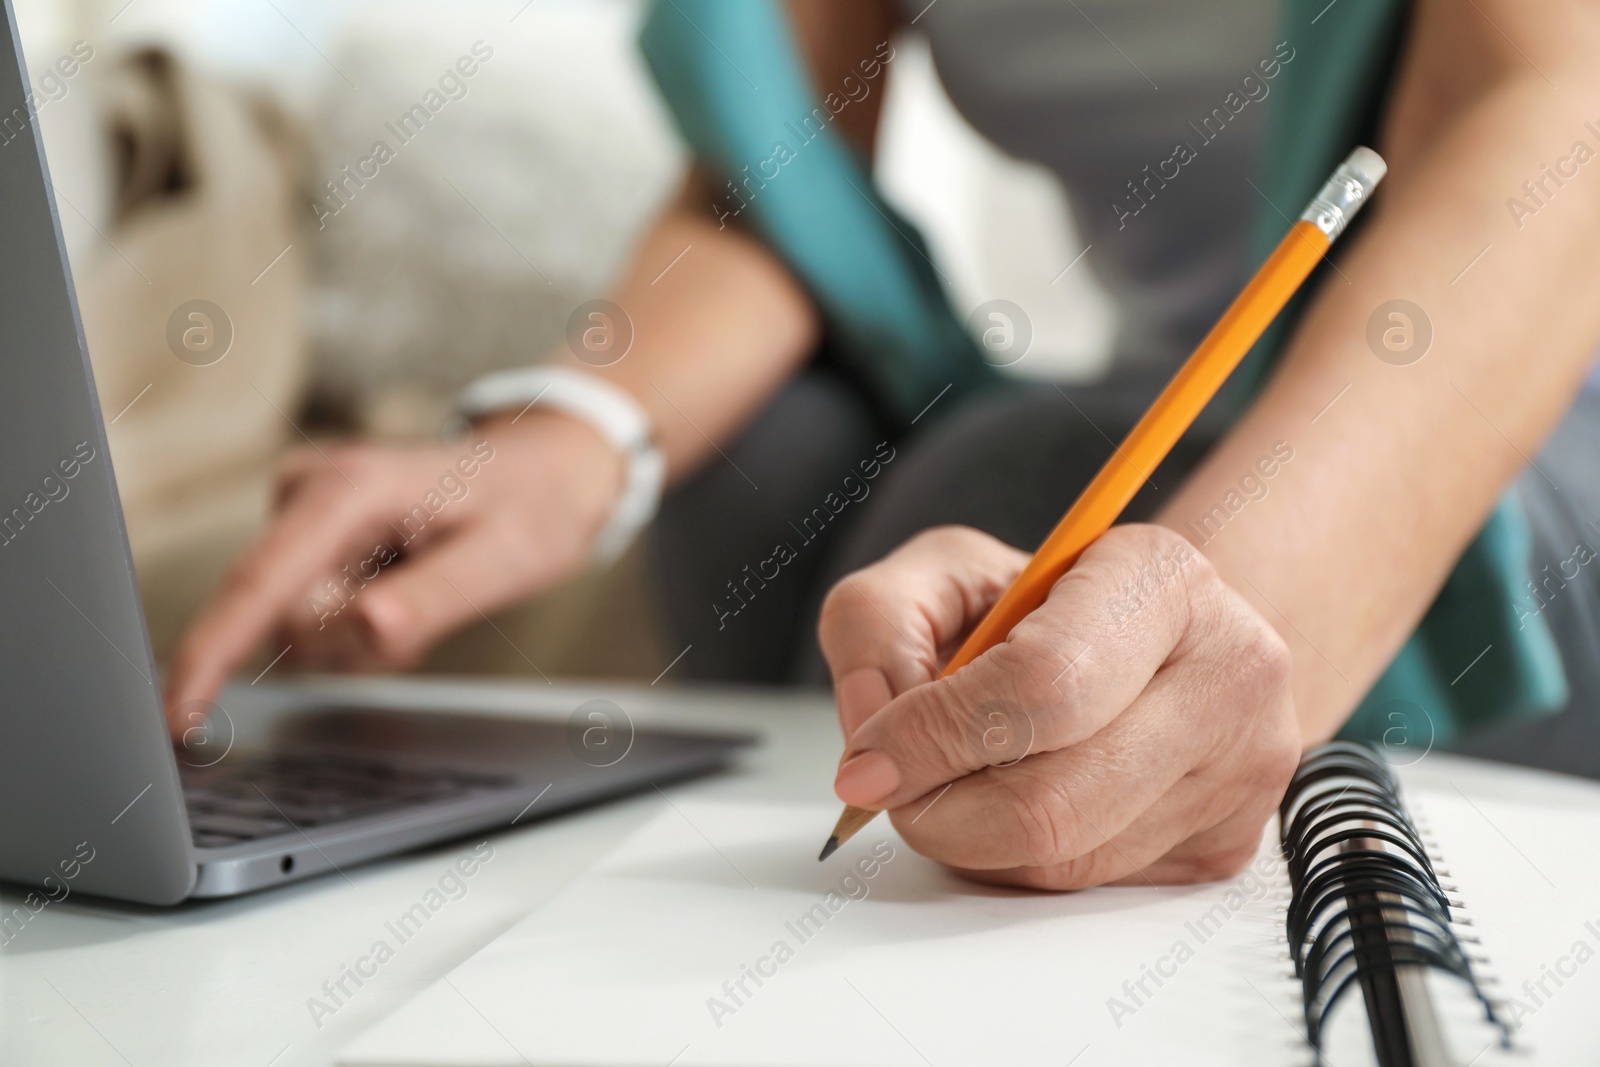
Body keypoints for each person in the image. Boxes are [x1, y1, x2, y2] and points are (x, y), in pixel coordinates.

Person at [165, 0, 1600, 890]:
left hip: (1511, 393)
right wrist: (572, 435)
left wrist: (1229, 593)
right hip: (1189, 385)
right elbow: (781, 169)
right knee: (756, 470)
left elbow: (1548, 131)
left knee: (1016, 486)